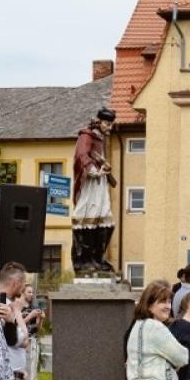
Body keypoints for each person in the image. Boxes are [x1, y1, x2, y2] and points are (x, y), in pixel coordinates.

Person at [72, 108, 117, 273]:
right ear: (98, 121)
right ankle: (84, 260)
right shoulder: (86, 136)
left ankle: (97, 258)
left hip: (100, 183)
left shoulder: (99, 138)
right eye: (107, 123)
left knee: (105, 219)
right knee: (87, 217)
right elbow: (81, 157)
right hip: (90, 183)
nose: (109, 127)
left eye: (111, 124)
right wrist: (95, 172)